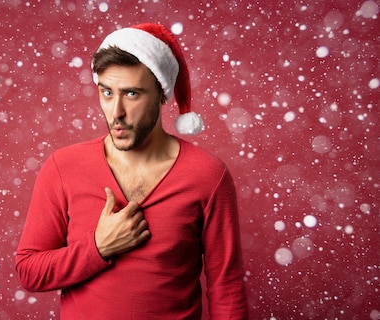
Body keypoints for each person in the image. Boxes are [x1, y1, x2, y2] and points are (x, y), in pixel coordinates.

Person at [15, 22, 248, 319]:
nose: (116, 112)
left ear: (162, 94)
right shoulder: (63, 167)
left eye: (132, 94)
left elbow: (226, 288)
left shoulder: (208, 176)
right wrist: (97, 248)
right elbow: (29, 271)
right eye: (107, 92)